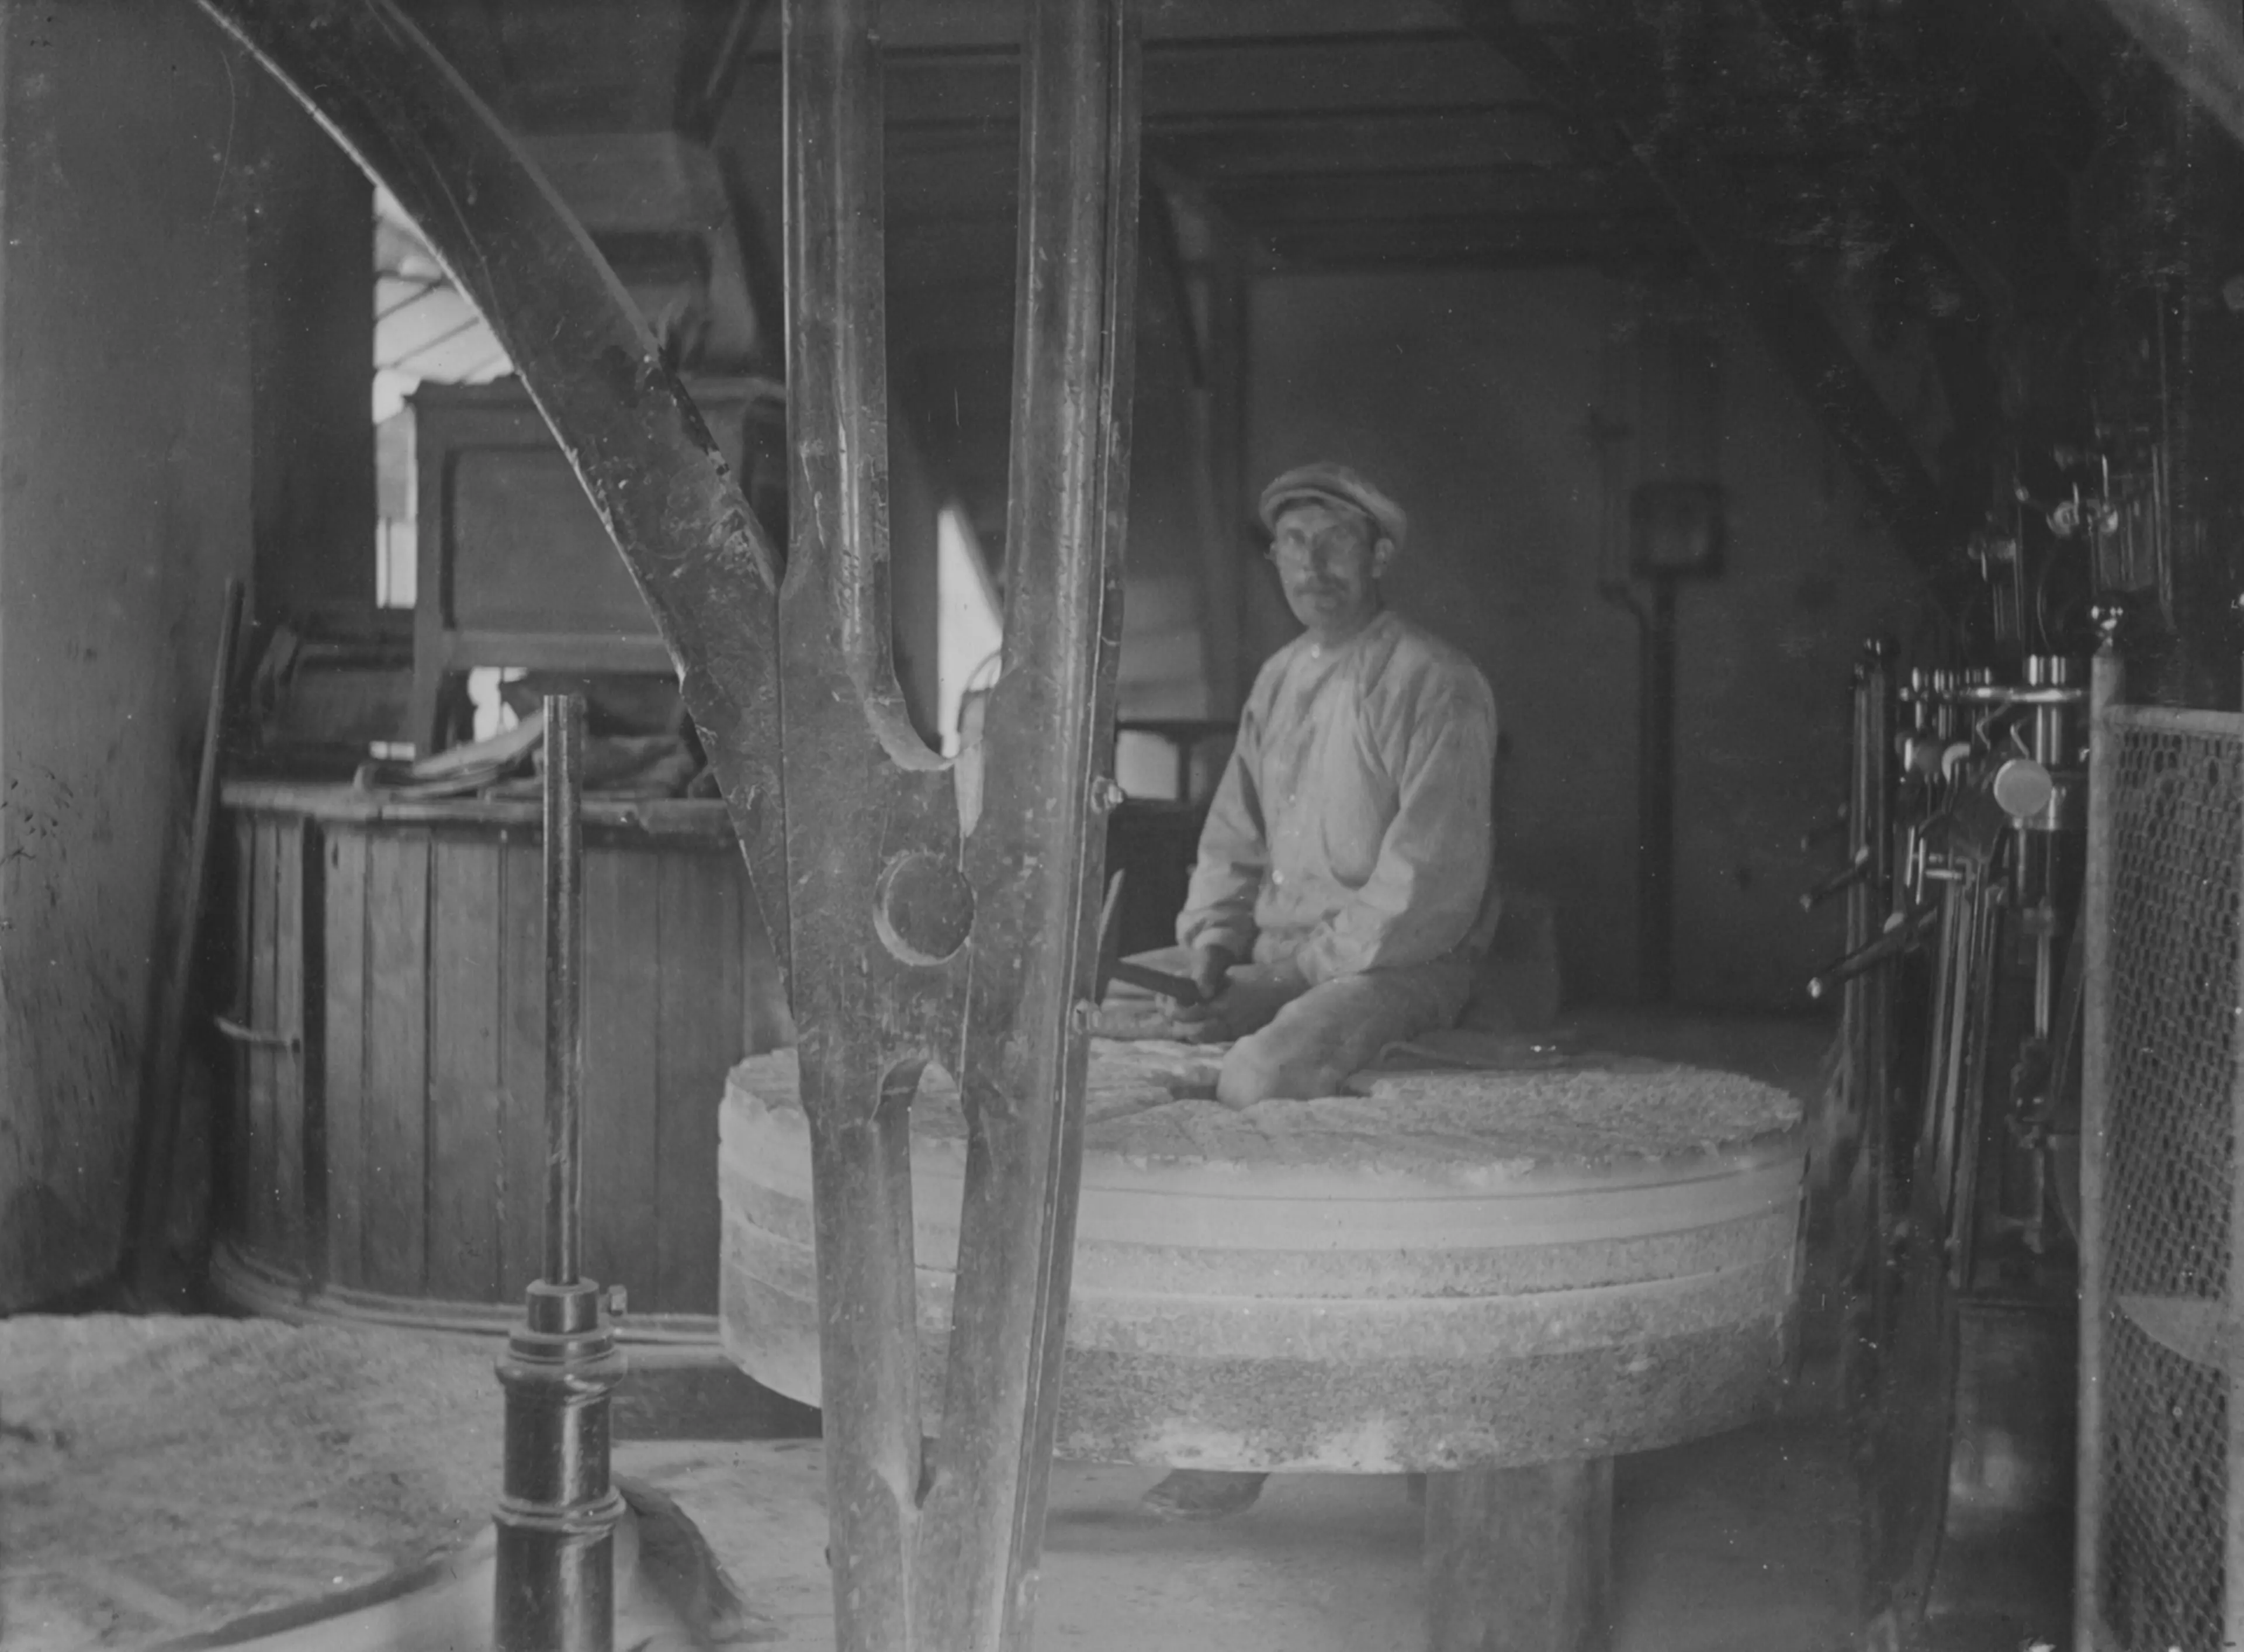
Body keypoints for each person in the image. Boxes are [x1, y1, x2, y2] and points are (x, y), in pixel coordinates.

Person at [1139, 460, 1501, 1521]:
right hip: (1288, 961)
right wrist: (1212, 945)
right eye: (1292, 544)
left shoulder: (1438, 683)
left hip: (1401, 964)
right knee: (1108, 1027)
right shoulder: (1281, 679)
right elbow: (1231, 840)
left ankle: (1241, 1431)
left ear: (1381, 554)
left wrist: (1280, 982)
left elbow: (1425, 892)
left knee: (1258, 1075)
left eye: (1335, 541)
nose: (1311, 566)